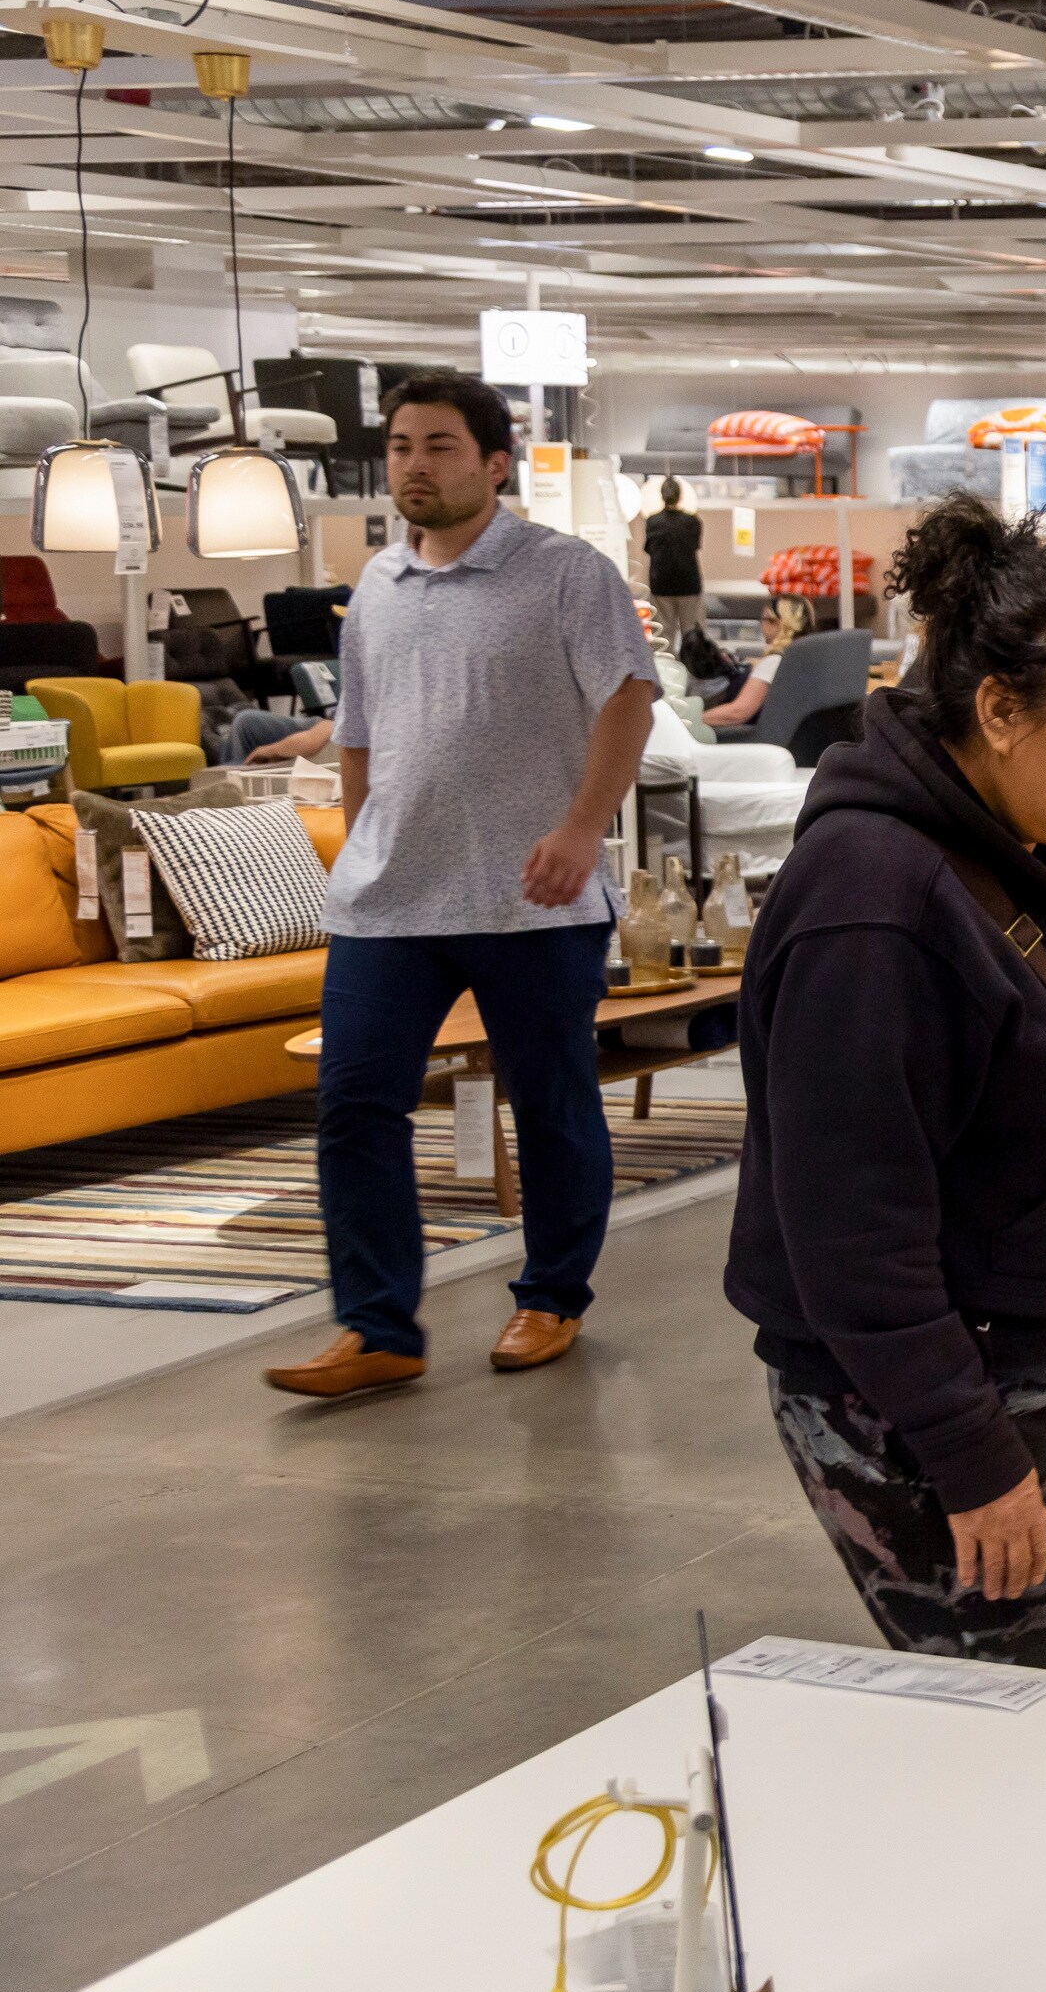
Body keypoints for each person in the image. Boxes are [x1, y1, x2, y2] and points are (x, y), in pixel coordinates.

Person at [729, 496, 1046, 1667]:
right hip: (926, 1408)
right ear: (999, 709)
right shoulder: (869, 902)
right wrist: (969, 1454)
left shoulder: (1026, 839)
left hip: (1039, 1370)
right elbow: (851, 1225)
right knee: (1024, 1729)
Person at [263, 373, 659, 1400]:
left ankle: (552, 1295)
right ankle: (377, 1326)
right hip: (389, 902)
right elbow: (358, 736)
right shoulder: (378, 585)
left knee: (552, 1103)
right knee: (355, 1105)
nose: (414, 465)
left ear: (493, 464)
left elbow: (629, 699)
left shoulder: (565, 573)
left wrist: (582, 829)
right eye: (400, 446)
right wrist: (361, 846)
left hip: (531, 897)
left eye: (439, 446)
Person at [701, 598, 807, 729]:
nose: (761, 624)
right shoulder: (799, 660)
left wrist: (691, 720)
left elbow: (737, 713)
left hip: (744, 736)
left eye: (764, 619)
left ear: (777, 622)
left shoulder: (773, 662)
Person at [644, 476, 704, 641]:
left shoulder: (652, 522)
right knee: (692, 636)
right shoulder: (693, 521)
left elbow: (649, 549)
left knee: (663, 636)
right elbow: (695, 545)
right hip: (689, 583)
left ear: (661, 496)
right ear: (680, 496)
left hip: (661, 583)